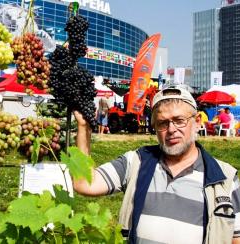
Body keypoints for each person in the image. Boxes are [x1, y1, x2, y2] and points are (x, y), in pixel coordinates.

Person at [73, 86, 240, 244]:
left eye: (179, 120)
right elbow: (85, 183)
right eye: (162, 123)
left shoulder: (224, 179)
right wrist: (83, 128)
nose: (171, 129)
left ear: (197, 122)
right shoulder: (136, 162)